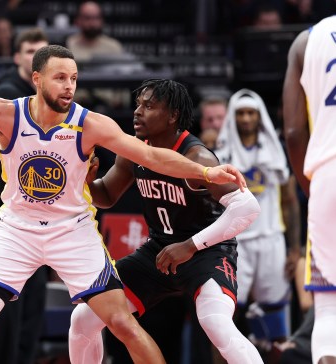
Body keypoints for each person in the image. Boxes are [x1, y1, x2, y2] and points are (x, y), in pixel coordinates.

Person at [0, 44, 246, 364]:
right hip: (17, 229)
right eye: (60, 77)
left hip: (72, 231)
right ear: (37, 79)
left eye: (74, 79)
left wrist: (208, 173)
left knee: (124, 325)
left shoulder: (90, 123)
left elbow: (154, 158)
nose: (69, 86)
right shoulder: (4, 113)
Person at [68, 78, 263, 364]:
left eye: (149, 106)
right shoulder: (135, 150)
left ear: (172, 115)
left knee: (216, 324)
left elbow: (247, 208)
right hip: (158, 250)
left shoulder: (196, 157)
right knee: (84, 318)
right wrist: (86, 182)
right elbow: (106, 195)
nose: (138, 112)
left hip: (206, 252)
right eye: (138, 105)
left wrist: (191, 246)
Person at [0, 27, 49, 364]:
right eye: (31, 51)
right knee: (6, 302)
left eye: (43, 52)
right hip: (4, 212)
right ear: (18, 57)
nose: (37, 58)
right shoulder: (7, 97)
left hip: (39, 217)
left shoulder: (52, 101)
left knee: (32, 301)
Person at [215, 89, 301, 355]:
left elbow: (290, 201)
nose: (246, 118)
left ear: (259, 117)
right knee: (221, 319)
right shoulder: (220, 150)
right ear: (233, 117)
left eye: (251, 113)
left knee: (275, 319)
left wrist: (295, 248)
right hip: (235, 242)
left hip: (271, 239)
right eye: (240, 113)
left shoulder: (275, 152)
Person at [283, 15, 336, 364]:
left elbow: (293, 133)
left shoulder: (307, 39)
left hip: (327, 175)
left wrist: (313, 188)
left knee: (329, 306)